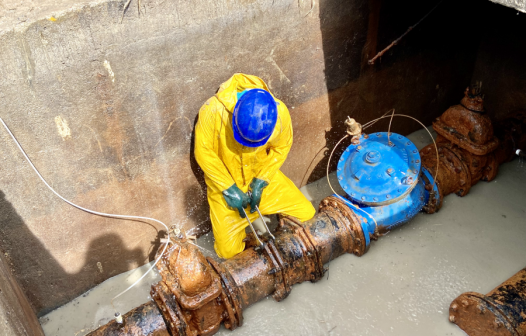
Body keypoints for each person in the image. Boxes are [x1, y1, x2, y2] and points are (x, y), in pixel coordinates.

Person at [194, 73, 316, 259]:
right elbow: (203, 152)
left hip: (261, 177)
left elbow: (281, 146)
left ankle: (282, 234)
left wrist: (262, 180)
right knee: (228, 253)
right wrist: (229, 188)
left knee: (306, 214)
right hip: (225, 187)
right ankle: (249, 240)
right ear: (234, 115)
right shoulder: (212, 110)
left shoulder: (279, 112)